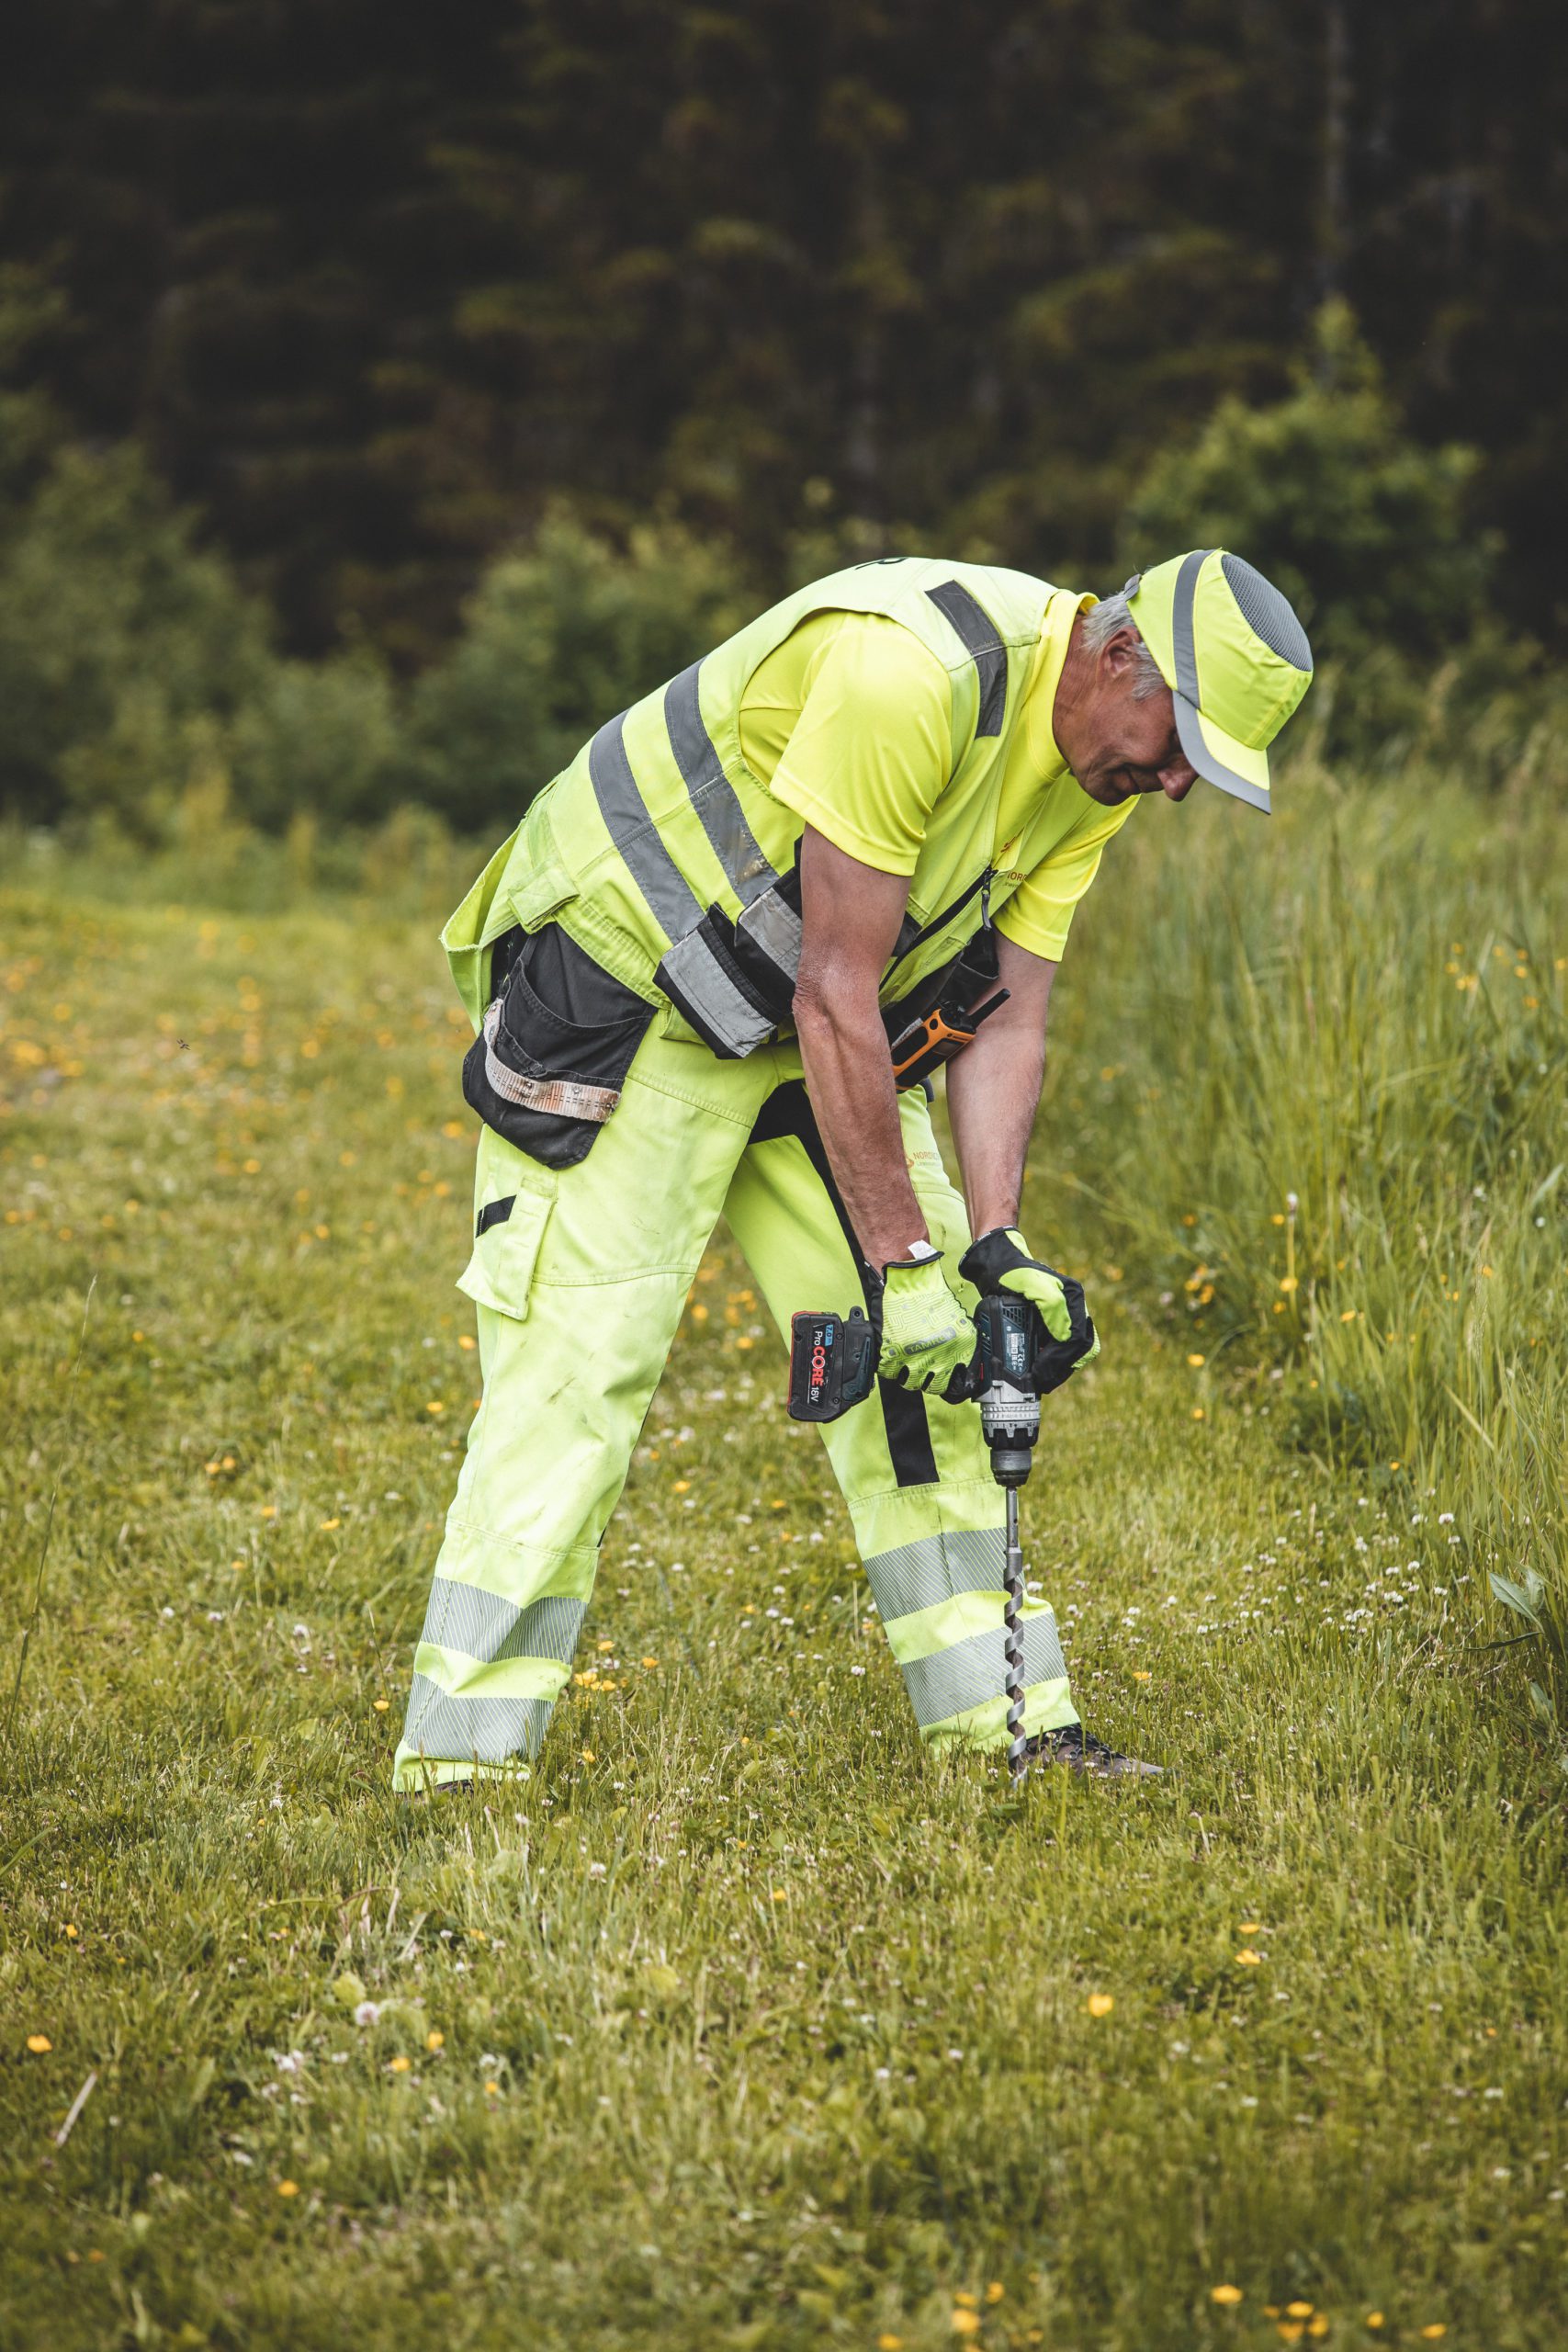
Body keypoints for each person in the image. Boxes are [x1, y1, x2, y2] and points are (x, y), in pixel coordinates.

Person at [394, 548, 1313, 1792]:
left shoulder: (1095, 777)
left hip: (800, 1028)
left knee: (937, 1368)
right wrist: (900, 1261)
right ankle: (464, 1763)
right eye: (1177, 743)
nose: (1174, 783)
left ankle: (1006, 1728)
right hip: (628, 988)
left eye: (1200, 766)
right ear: (1116, 657)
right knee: (578, 1373)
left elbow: (1010, 1015)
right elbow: (838, 986)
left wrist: (989, 1248)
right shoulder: (913, 674)